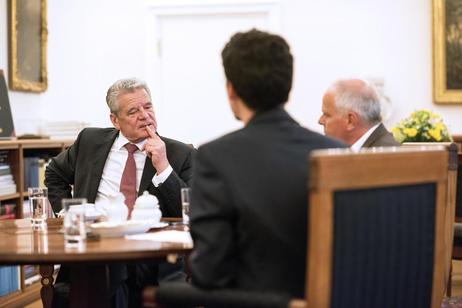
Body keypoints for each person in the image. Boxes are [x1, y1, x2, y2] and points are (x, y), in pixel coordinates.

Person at [188, 29, 344, 298]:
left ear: (231, 90)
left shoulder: (215, 157)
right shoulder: (338, 152)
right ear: (288, 86)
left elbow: (209, 272)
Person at [45, 78, 195, 307]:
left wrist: (163, 167)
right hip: (95, 247)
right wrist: (69, 213)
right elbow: (54, 173)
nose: (144, 115)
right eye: (133, 111)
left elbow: (190, 211)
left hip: (150, 255)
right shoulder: (90, 141)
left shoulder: (179, 153)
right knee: (106, 271)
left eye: (148, 106)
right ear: (115, 120)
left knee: (115, 273)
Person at [318, 78, 399, 150]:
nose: (320, 121)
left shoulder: (383, 157)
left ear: (350, 121)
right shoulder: (372, 151)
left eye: (327, 115)